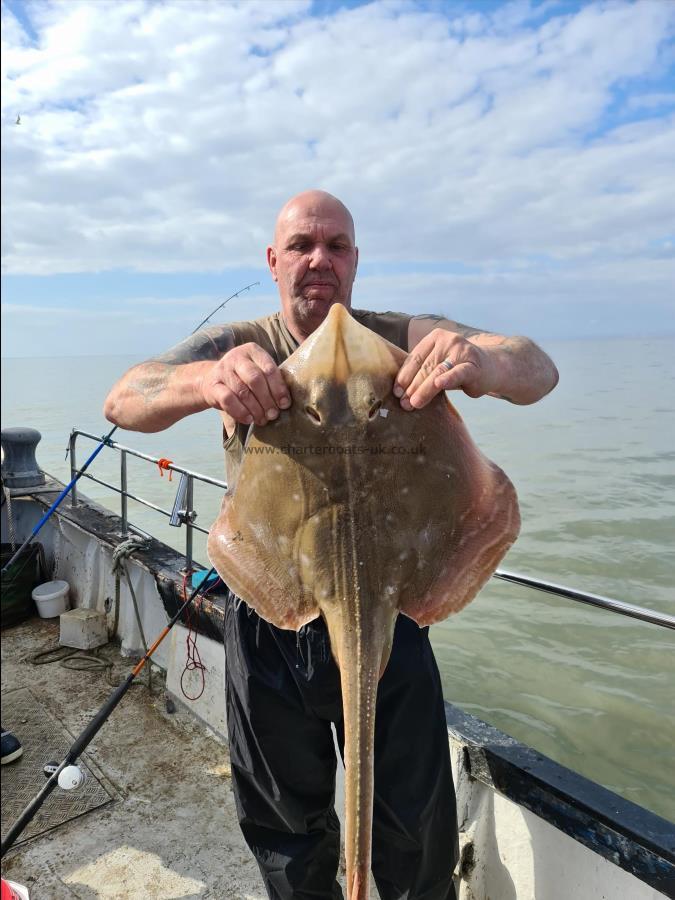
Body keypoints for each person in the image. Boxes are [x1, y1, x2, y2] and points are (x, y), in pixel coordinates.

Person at [104, 190, 558, 899]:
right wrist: (205, 381)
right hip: (269, 616)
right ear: (273, 261)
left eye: (336, 246)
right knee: (288, 828)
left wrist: (482, 363)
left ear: (354, 259)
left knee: (412, 827)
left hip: (393, 612)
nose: (320, 260)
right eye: (302, 246)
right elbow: (126, 399)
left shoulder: (403, 336)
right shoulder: (238, 345)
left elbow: (535, 367)